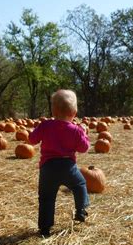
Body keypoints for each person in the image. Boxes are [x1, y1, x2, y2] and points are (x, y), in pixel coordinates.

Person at [28, 89, 90, 237]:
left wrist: (34, 130)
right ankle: (81, 209)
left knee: (46, 198)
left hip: (48, 168)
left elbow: (31, 140)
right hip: (67, 167)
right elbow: (84, 148)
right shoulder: (76, 130)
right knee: (79, 184)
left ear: (53, 110)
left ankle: (44, 228)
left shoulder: (45, 125)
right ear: (74, 113)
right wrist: (84, 133)